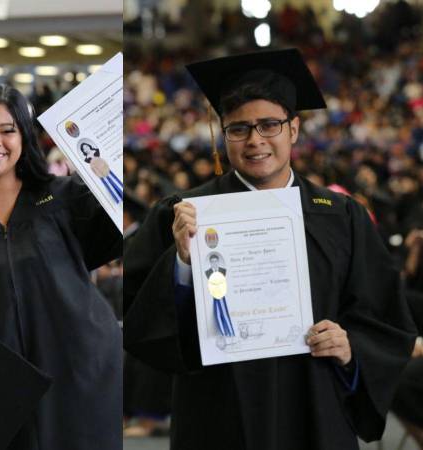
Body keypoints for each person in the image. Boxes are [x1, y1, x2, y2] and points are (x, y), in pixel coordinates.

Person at [124, 48, 417, 450]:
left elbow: (384, 317)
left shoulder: (340, 216)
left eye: (269, 125)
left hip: (313, 406)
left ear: (293, 129)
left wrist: (350, 347)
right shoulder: (184, 214)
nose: (255, 140)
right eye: (239, 128)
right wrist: (180, 264)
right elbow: (140, 321)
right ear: (223, 133)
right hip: (218, 412)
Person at [0, 84, 122, 450]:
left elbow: (114, 235)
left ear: (24, 136)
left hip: (77, 369)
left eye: (7, 130)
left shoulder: (64, 197)